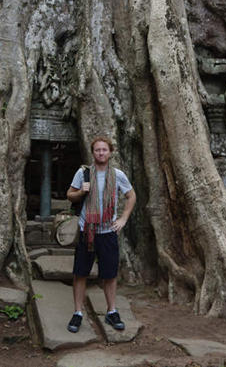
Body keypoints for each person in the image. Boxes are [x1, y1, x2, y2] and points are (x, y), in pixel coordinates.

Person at [65, 136, 136, 333]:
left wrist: (122, 219)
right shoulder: (83, 173)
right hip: (86, 230)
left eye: (104, 150)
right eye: (97, 150)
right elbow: (69, 194)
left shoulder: (117, 175)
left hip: (107, 231)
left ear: (110, 152)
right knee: (80, 273)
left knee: (110, 274)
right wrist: (80, 193)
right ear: (93, 152)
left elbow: (131, 196)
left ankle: (112, 312)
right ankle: (78, 313)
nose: (101, 153)